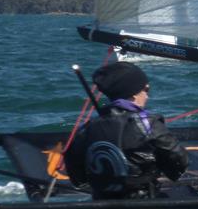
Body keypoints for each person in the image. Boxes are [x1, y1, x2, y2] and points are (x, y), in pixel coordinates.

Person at [65, 62, 189, 199]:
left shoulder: (88, 128)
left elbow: (76, 173)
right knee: (187, 193)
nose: (147, 96)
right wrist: (166, 171)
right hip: (146, 202)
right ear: (134, 94)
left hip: (102, 204)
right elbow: (178, 160)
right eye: (146, 90)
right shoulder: (148, 123)